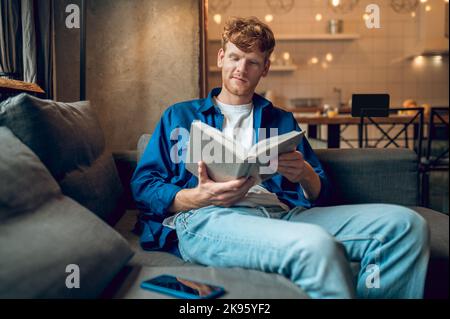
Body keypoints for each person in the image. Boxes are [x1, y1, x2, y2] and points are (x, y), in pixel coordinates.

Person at [131, 17, 430, 299]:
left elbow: (322, 193)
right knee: (314, 245)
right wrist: (197, 197)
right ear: (221, 57)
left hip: (284, 214)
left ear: (265, 69)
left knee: (405, 226)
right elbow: (144, 185)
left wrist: (304, 174)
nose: (241, 69)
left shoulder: (281, 120)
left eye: (253, 63)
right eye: (235, 58)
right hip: (209, 217)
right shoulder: (179, 116)